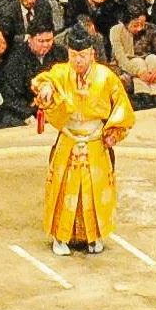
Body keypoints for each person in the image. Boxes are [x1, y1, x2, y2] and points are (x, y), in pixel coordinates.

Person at [32, 26, 134, 255]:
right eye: (73, 55)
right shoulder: (59, 73)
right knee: (64, 188)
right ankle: (60, 237)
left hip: (94, 139)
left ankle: (93, 235)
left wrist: (114, 133)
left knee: (93, 191)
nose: (78, 60)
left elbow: (122, 109)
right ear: (68, 54)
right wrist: (46, 88)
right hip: (68, 139)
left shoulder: (106, 77)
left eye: (82, 55)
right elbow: (42, 81)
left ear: (92, 54)